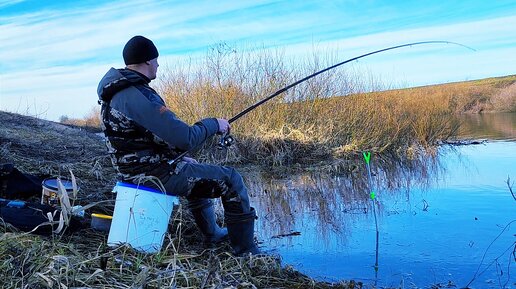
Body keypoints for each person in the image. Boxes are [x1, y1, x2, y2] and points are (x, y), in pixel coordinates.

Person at [97, 35, 260, 255]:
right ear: (147, 61)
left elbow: (141, 140)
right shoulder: (136, 97)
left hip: (137, 172)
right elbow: (185, 138)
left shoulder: (117, 92)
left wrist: (178, 158)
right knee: (232, 180)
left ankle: (212, 234)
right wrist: (214, 124)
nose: (158, 65)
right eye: (156, 60)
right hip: (152, 176)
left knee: (197, 171)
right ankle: (246, 251)